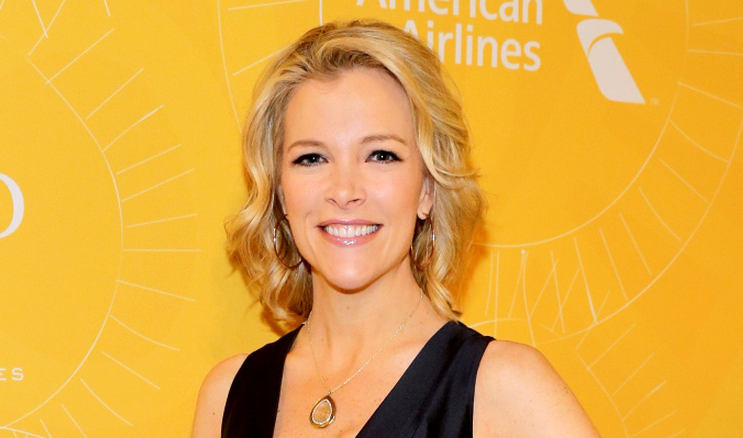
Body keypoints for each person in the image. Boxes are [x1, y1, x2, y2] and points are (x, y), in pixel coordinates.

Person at [192, 20, 599, 437]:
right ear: (280, 193)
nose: (344, 191)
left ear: (427, 188)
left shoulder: (504, 388)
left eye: (380, 155)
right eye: (312, 158)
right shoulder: (227, 397)